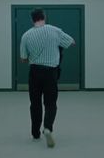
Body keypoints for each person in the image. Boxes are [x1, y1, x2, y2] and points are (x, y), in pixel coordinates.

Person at [20, 8, 75, 148]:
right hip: (51, 72)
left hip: (34, 72)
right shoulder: (55, 30)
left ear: (32, 19)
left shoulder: (26, 35)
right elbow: (71, 42)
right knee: (50, 103)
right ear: (44, 17)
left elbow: (23, 58)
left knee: (35, 103)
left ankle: (35, 133)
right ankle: (48, 128)